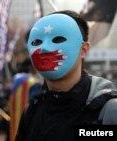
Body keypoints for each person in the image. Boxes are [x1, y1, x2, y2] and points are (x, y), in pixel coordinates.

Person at [15, 10, 117, 141]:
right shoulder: (32, 110)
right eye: (37, 42)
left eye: (58, 40)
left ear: (83, 50)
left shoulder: (108, 110)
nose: (44, 48)